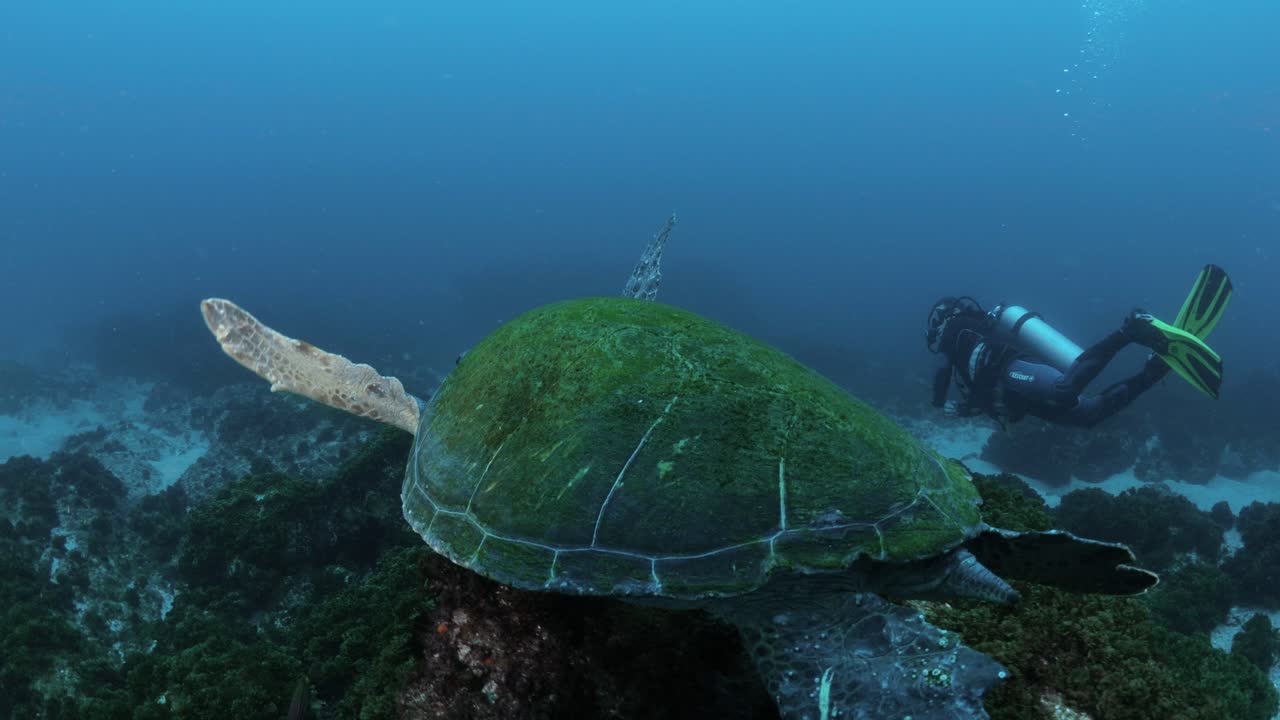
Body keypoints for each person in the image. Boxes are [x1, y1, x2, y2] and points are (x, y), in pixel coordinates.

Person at [926, 265, 1231, 429]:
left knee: (1063, 391)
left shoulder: (957, 326)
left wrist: (938, 403)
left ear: (943, 317)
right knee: (1089, 416)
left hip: (1009, 370)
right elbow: (979, 391)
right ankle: (1155, 369)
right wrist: (966, 409)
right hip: (1016, 396)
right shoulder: (964, 339)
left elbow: (947, 372)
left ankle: (1129, 330)